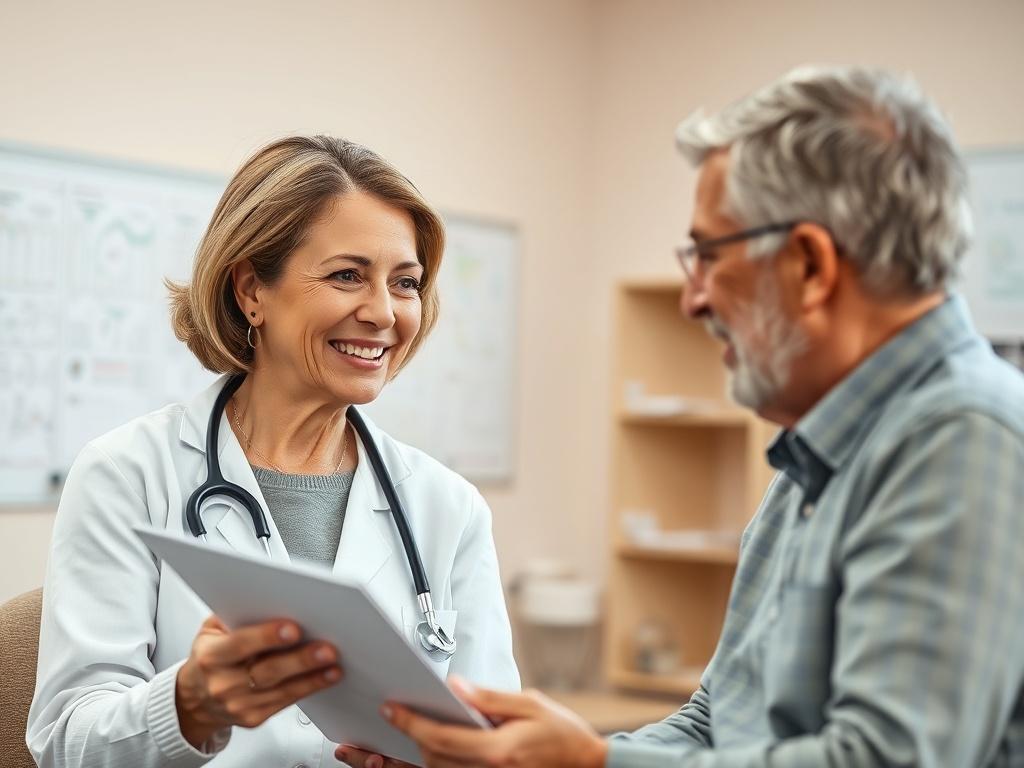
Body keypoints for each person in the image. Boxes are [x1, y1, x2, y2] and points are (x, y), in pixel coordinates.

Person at [344, 66, 1024, 767]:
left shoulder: (965, 439)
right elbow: (716, 720)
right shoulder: (815, 455)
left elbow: (885, 760)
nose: (692, 300)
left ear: (810, 265)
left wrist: (590, 764)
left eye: (708, 255)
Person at [27, 136, 520, 767]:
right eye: (347, 275)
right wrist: (187, 705)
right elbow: (65, 742)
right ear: (251, 290)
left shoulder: (446, 508)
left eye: (405, 283)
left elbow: (499, 742)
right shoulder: (129, 475)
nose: (383, 313)